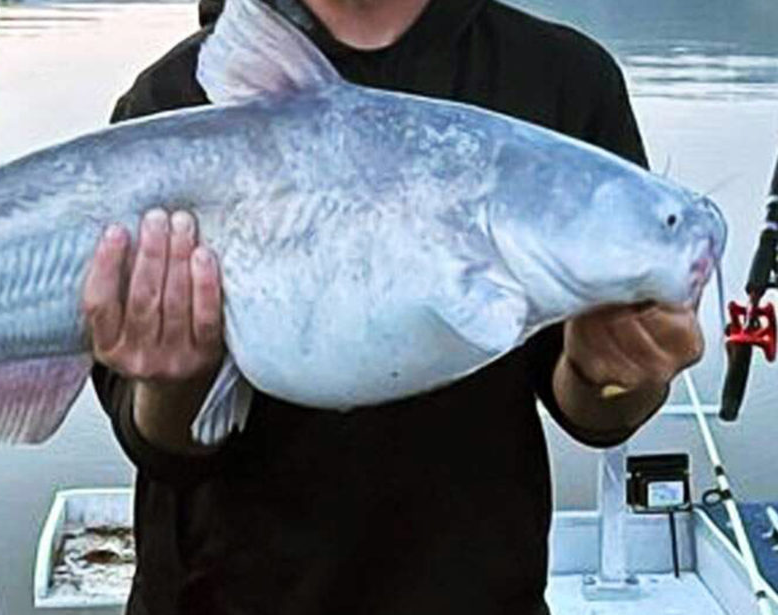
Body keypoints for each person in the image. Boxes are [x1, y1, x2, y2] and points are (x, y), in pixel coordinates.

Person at [81, 0, 705, 612]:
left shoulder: (562, 78)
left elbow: (593, 411)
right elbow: (160, 444)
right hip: (214, 593)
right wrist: (174, 380)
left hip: (476, 593)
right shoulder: (172, 98)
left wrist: (618, 372)